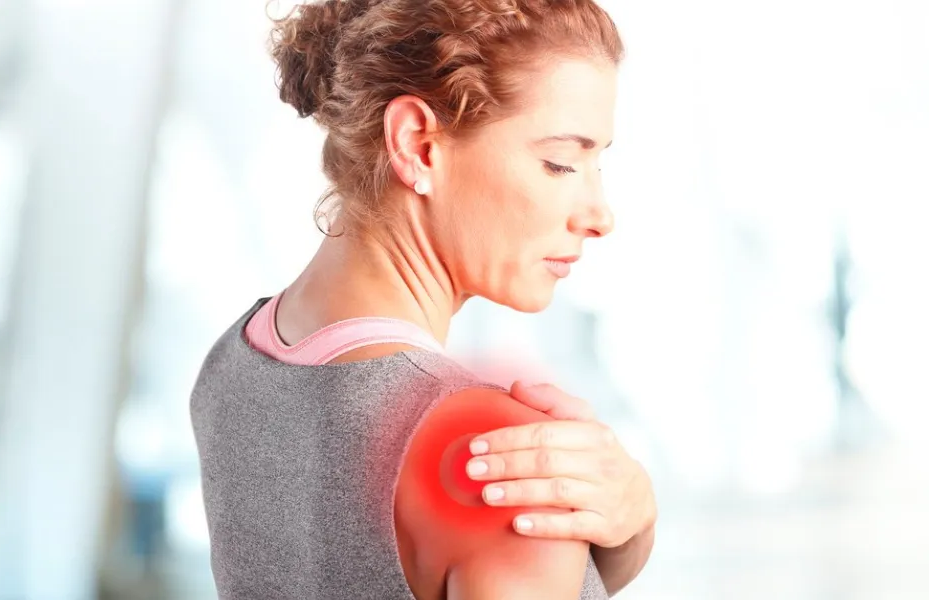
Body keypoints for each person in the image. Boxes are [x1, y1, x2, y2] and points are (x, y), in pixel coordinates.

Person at [189, 0, 657, 598]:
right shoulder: (497, 457)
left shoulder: (233, 362)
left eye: (597, 164)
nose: (600, 216)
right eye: (560, 163)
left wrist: (626, 530)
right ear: (418, 145)